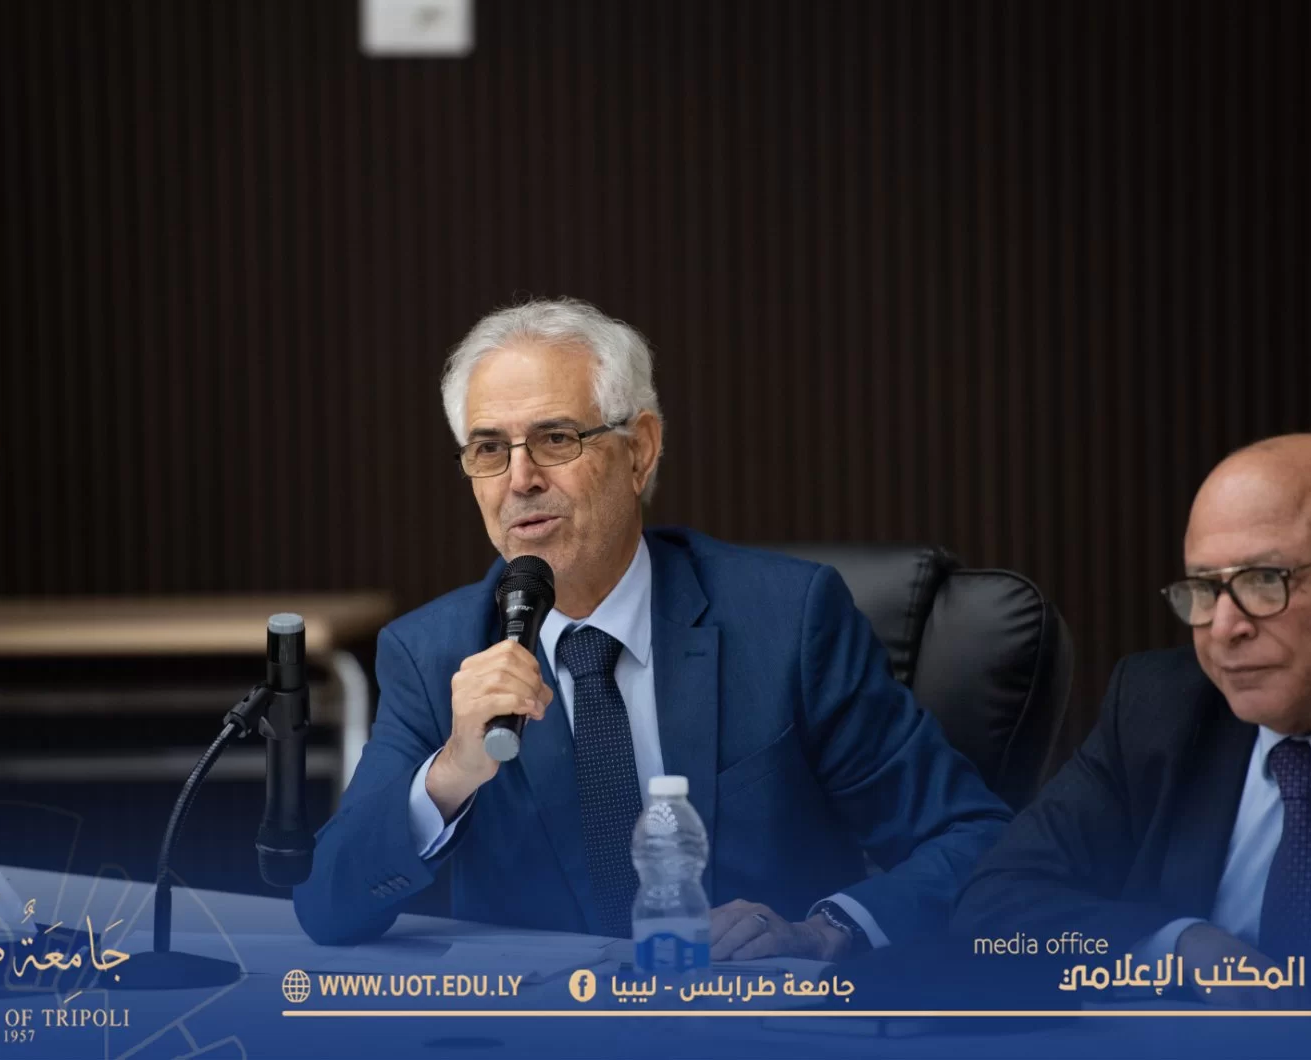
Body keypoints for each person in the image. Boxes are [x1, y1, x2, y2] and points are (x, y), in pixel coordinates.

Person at [294, 298, 1010, 960]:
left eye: (555, 438)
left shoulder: (788, 620)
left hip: (754, 1024)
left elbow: (975, 838)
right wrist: (450, 772)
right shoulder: (433, 653)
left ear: (639, 450)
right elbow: (327, 905)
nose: (520, 479)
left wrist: (825, 931)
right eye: (489, 450)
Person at [953, 434, 1311, 1007]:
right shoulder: (1159, 709)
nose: (1224, 628)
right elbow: (993, 910)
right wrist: (1176, 948)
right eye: (1203, 588)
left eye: (1265, 579)